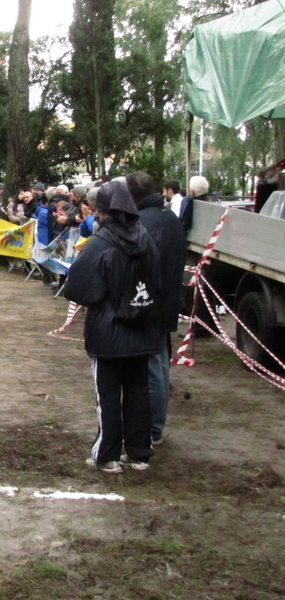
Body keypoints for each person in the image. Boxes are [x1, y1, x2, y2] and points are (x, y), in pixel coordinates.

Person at [63, 181, 161, 473]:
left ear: (102, 211)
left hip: (108, 331)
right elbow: (158, 282)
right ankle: (140, 452)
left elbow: (77, 287)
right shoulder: (147, 240)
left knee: (106, 394)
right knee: (138, 391)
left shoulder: (100, 243)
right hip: (142, 328)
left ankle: (107, 455)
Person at [127, 171, 187, 445]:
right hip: (166, 301)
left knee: (152, 367)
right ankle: (155, 427)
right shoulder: (170, 218)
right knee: (160, 364)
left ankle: (152, 429)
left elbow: (140, 266)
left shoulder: (143, 222)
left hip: (149, 304)